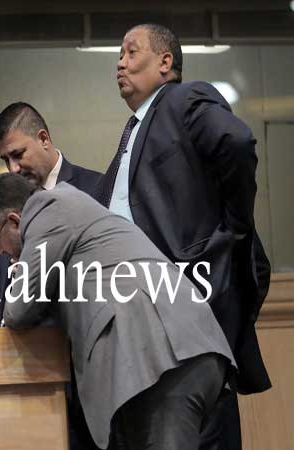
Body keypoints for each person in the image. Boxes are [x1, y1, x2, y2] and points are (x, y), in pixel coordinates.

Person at [95, 23, 271, 449]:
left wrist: (231, 228)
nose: (120, 63)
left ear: (165, 62)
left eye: (131, 52)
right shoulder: (131, 134)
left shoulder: (183, 98)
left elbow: (237, 141)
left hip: (187, 307)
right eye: (118, 55)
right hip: (144, 327)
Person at [0, 172, 236, 450]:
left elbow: (19, 311)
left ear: (15, 221)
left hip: (163, 356)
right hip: (168, 354)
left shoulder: (46, 210)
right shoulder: (69, 207)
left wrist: (19, 277)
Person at [0, 102, 101, 323]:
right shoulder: (5, 204)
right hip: (11, 341)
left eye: (18, 154)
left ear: (43, 139)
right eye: (5, 160)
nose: (12, 168)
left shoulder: (97, 190)